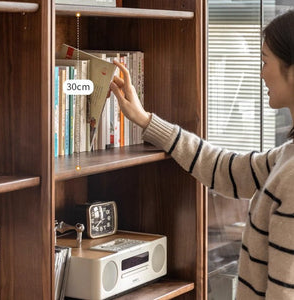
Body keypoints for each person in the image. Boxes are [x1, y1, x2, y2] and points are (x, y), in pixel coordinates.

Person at [110, 9, 294, 300]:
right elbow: (223, 169)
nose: (261, 73)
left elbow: (284, 292)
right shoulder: (286, 157)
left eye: (265, 61)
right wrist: (146, 120)